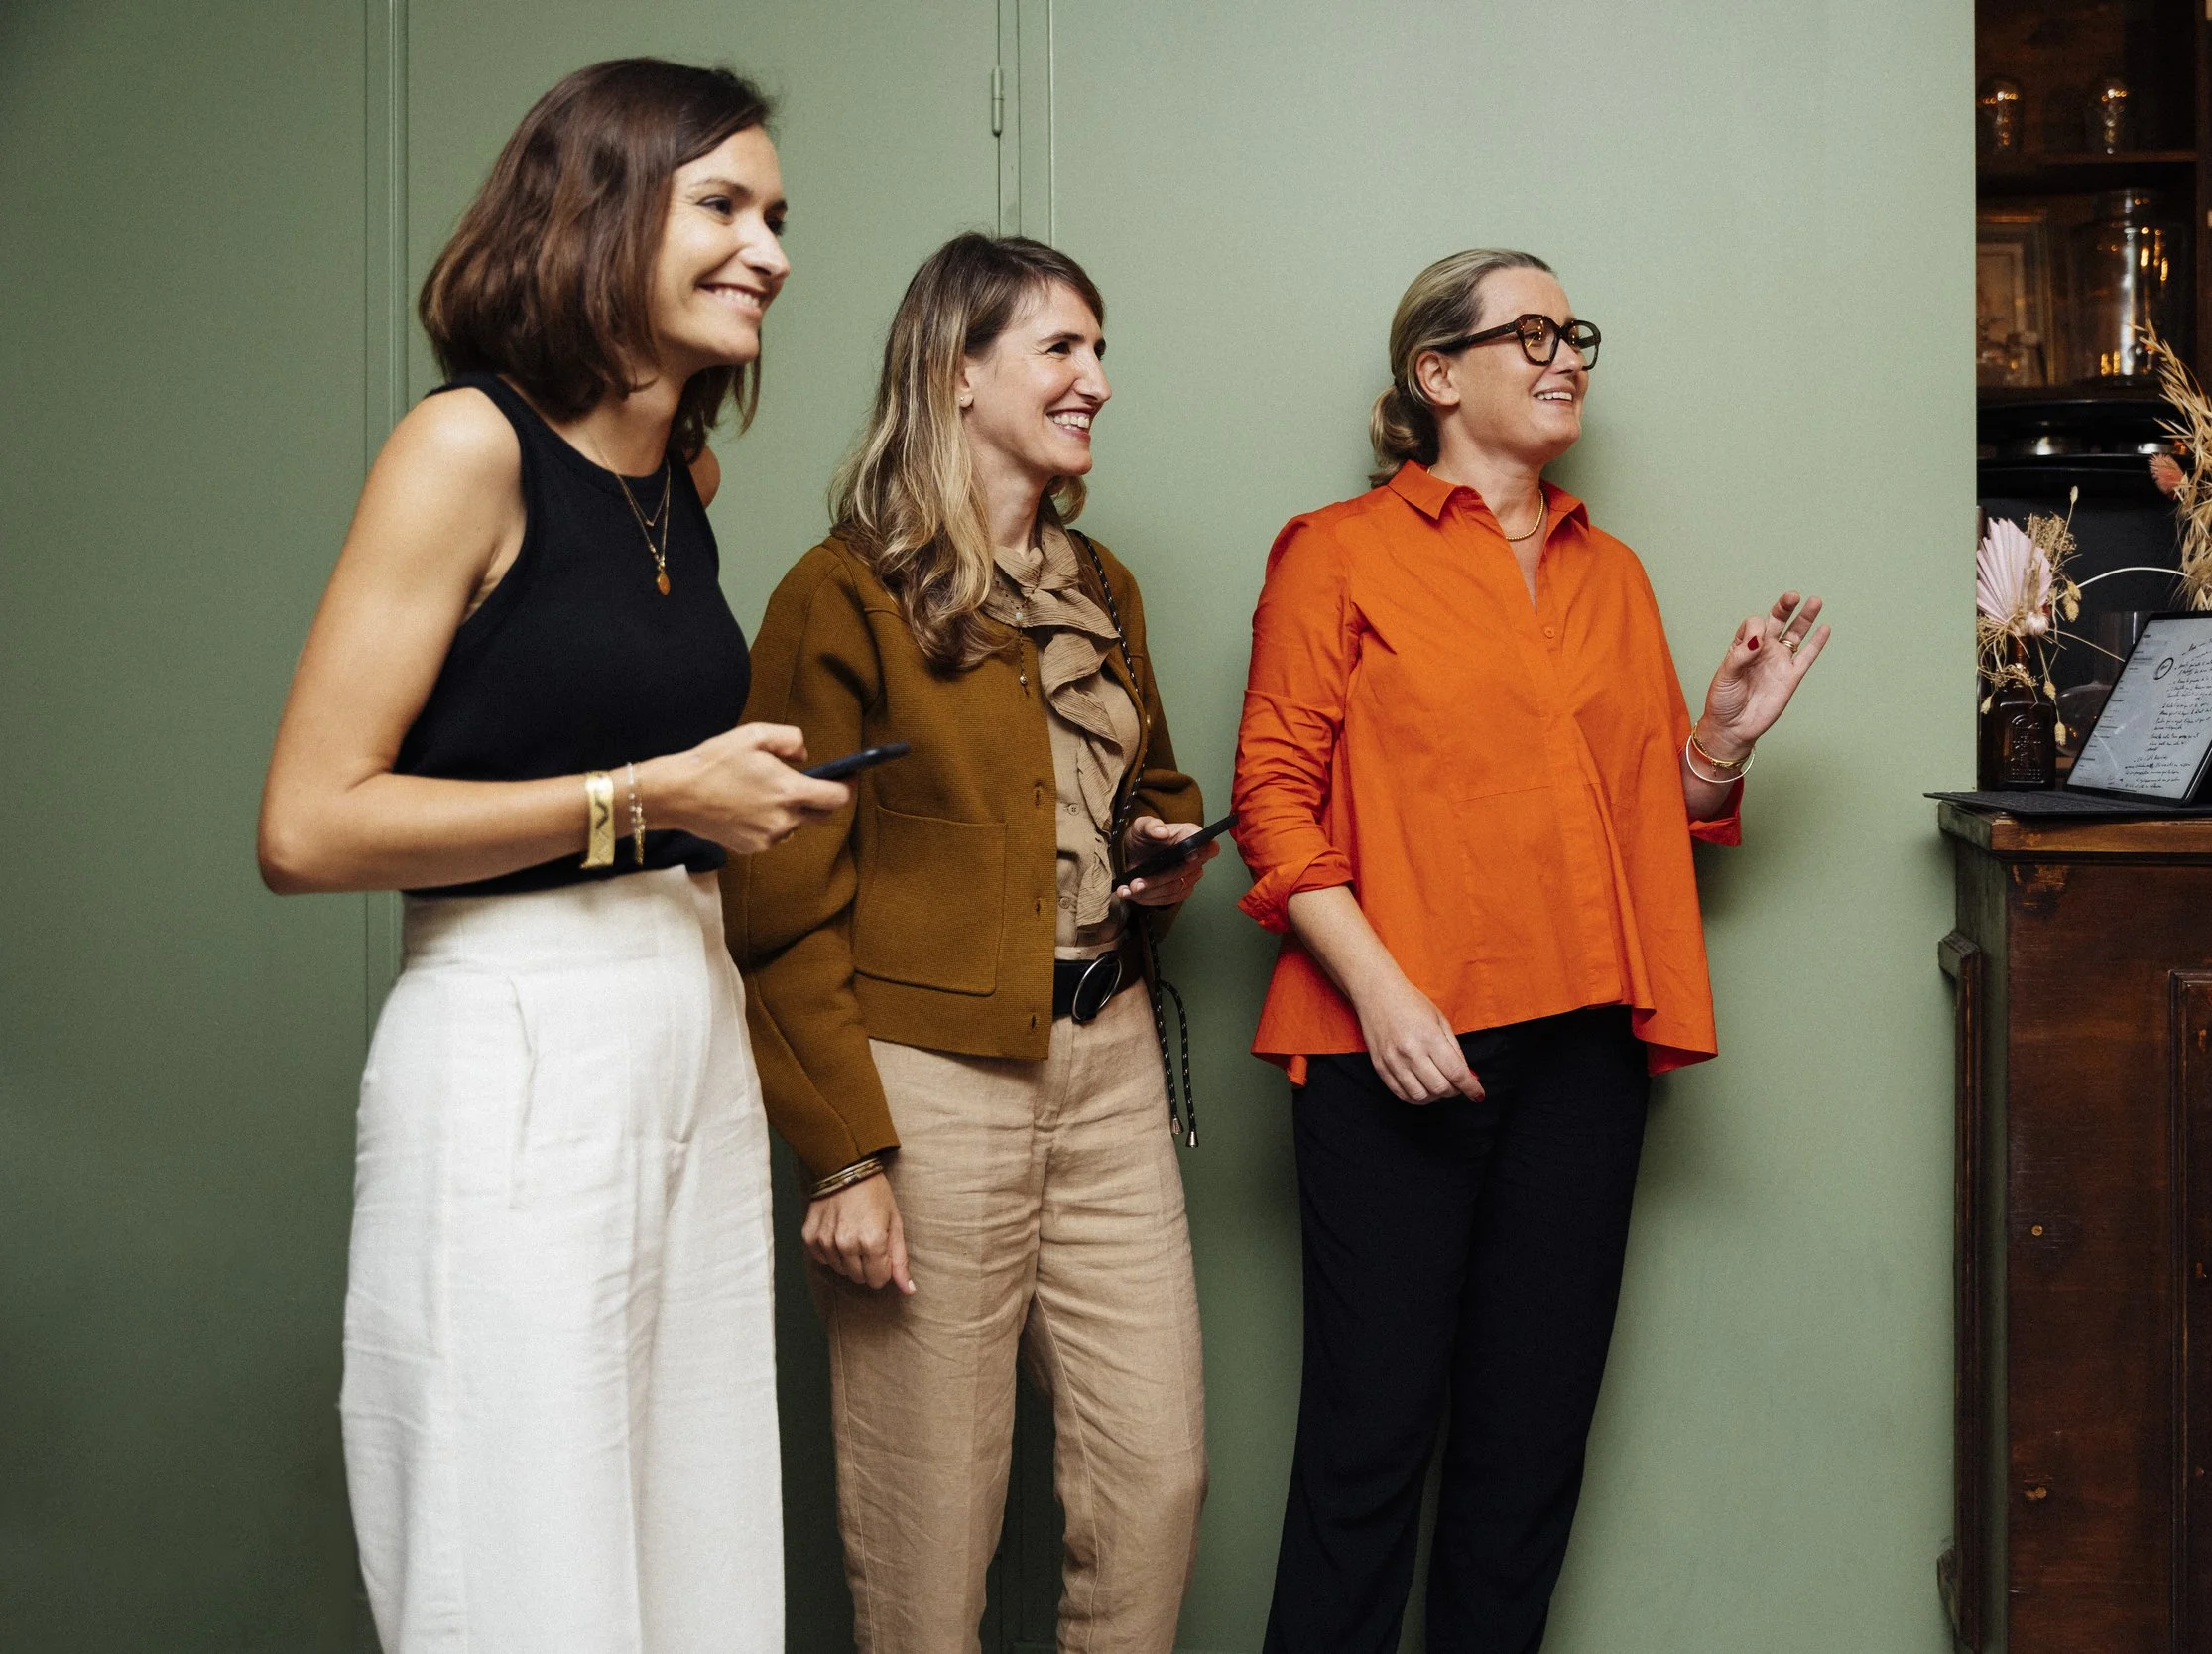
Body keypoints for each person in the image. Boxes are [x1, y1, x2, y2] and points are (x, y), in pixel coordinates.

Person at [256, 60, 846, 1652]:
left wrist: (723, 805)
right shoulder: (466, 447)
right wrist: (650, 794)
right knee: (522, 1563)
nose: (771, 250)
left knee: (700, 1547)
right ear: (599, 215)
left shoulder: (687, 486)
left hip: (688, 1023)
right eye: (721, 204)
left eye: (777, 216)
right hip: (516, 1038)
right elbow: (309, 825)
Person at [1235, 248, 1830, 1654]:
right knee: (1365, 1455)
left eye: (1579, 335)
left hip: (1583, 1060)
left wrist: (1725, 738)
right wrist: (1379, 989)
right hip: (1396, 1046)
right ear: (1437, 375)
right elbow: (1270, 799)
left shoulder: (1608, 574)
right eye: (1533, 332)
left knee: (1525, 1467)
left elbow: (1631, 821)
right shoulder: (1336, 552)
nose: (1567, 356)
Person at [723, 232, 1212, 1653]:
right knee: (927, 1524)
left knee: (1156, 1478)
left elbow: (1153, 782)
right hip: (925, 1086)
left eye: (1100, 351)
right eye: (1063, 349)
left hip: (1110, 1059)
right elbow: (777, 899)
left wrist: (1157, 852)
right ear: (958, 369)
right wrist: (848, 1155)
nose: (1098, 384)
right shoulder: (840, 593)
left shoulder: (1101, 584)